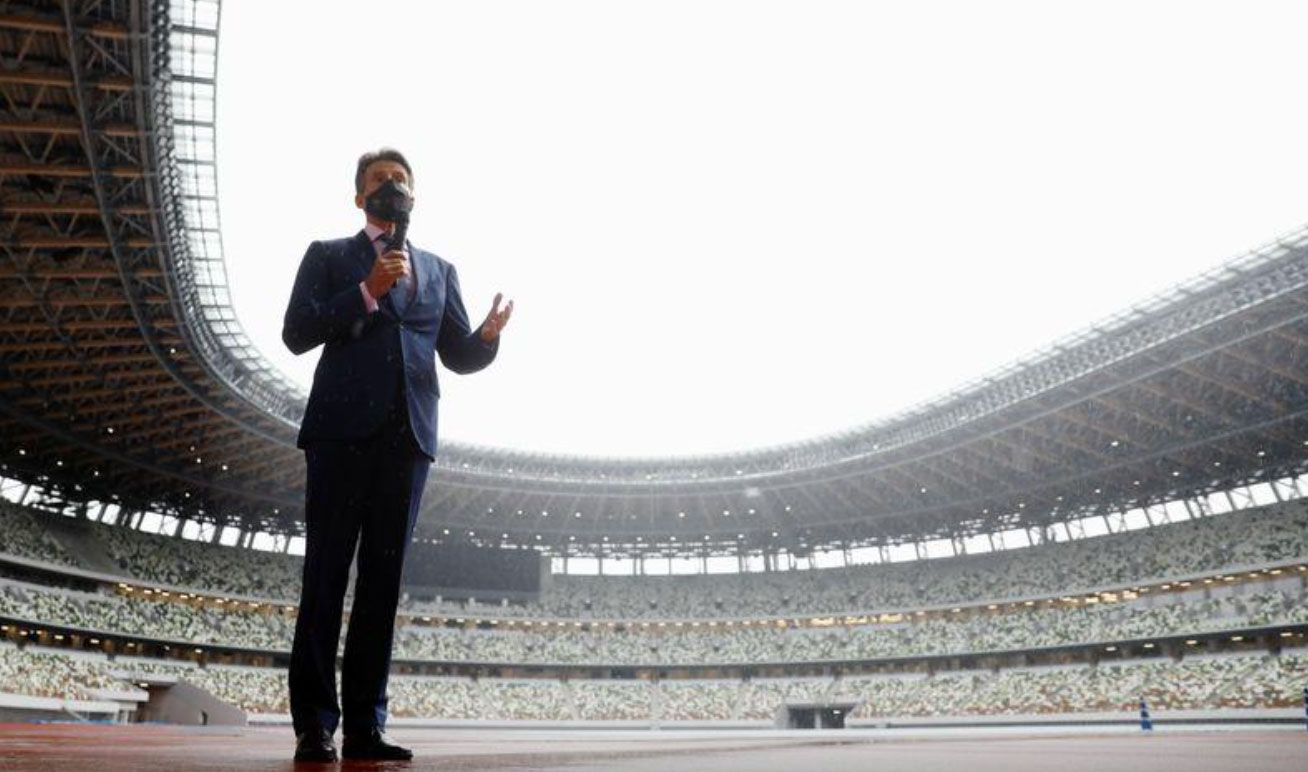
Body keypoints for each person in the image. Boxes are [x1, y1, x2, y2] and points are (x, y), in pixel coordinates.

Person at [281, 148, 513, 762]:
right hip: (338, 436)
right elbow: (297, 332)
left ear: (415, 196)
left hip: (407, 441)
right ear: (359, 197)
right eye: (380, 182)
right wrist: (364, 291)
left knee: (382, 589)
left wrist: (486, 339)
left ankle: (365, 723)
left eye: (401, 182)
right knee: (325, 578)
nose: (392, 189)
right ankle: (315, 724)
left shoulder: (439, 270)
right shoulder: (328, 255)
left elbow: (456, 354)